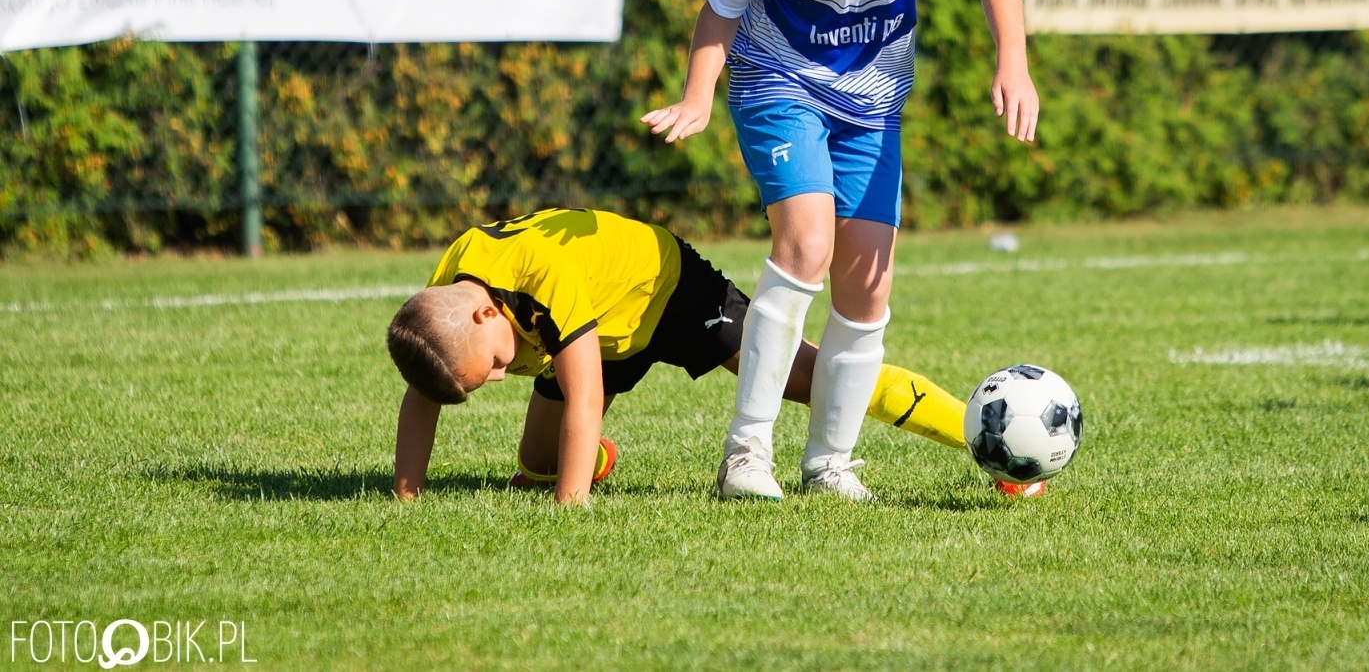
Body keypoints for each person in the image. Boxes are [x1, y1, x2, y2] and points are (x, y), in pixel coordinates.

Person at [642, 0, 1038, 501]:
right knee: (806, 243)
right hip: (777, 82)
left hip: (872, 107)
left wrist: (1012, 65)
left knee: (866, 285)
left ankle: (829, 462)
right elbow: (720, 5)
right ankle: (745, 455)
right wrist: (697, 96)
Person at [385, 207, 976, 504]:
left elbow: (585, 392)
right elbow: (422, 390)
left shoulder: (544, 277)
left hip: (668, 291)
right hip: (602, 330)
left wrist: (571, 510)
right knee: (535, 468)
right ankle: (588, 457)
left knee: (814, 379)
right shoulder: (446, 297)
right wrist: (405, 497)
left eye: (490, 366)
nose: (499, 375)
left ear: (486, 314)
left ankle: (981, 433)